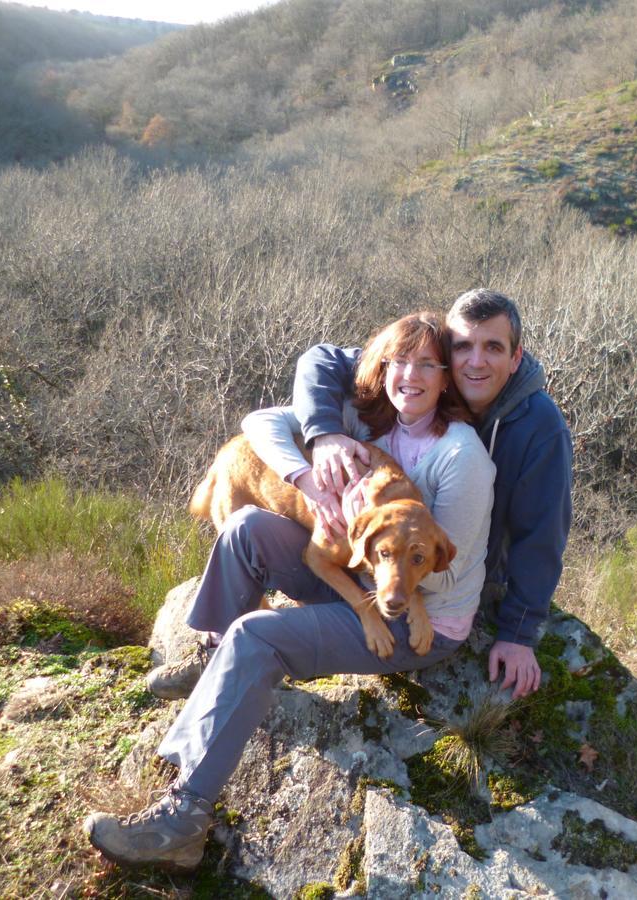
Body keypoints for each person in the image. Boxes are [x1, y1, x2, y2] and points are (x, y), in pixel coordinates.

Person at [83, 311, 495, 871]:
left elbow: (442, 570)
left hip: (416, 618)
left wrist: (379, 564)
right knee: (246, 526)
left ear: (447, 378)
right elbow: (263, 421)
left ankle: (184, 819)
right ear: (381, 368)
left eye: (428, 365)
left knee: (258, 635)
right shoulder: (372, 423)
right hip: (357, 581)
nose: (411, 376)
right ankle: (212, 659)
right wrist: (317, 460)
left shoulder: (462, 458)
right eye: (401, 362)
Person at [292, 288, 572, 701]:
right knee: (253, 532)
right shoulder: (420, 375)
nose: (476, 361)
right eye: (463, 347)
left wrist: (519, 633)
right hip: (408, 561)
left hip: (469, 579)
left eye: (493, 347)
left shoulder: (539, 426)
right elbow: (322, 359)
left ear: (515, 358)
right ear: (447, 355)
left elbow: (542, 535)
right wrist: (324, 434)